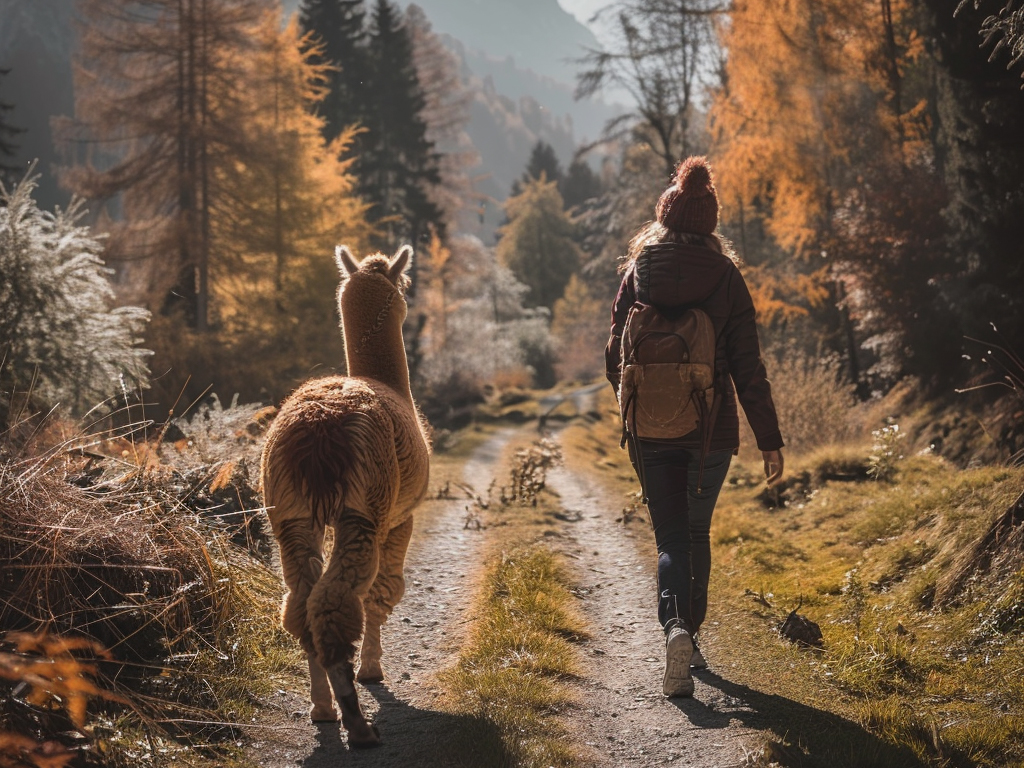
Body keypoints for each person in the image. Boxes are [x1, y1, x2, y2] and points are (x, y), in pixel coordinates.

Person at [605, 156, 784, 698]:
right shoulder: (727, 278)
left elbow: (613, 354)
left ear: (664, 217)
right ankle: (692, 637)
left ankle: (675, 630)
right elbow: (748, 368)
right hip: (712, 431)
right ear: (710, 225)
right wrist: (769, 439)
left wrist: (635, 405)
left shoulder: (638, 272)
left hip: (651, 432)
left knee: (669, 537)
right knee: (696, 532)